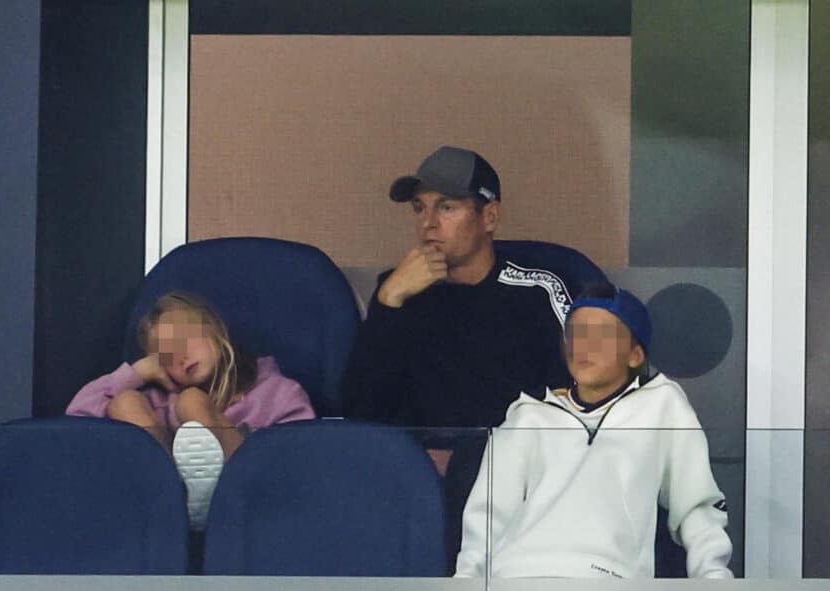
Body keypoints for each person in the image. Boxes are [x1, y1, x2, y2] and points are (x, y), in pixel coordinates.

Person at [341, 145, 605, 568]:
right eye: (419, 208)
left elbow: (582, 403)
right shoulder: (399, 290)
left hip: (522, 477)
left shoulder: (539, 289)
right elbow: (362, 412)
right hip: (418, 481)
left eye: (447, 207)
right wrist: (389, 303)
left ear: (490, 218)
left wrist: (476, 458)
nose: (428, 224)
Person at [455, 285, 733, 579]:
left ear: (635, 355)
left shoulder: (662, 403)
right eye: (576, 333)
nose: (584, 345)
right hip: (514, 577)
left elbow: (697, 507)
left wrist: (712, 578)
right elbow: (487, 515)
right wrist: (466, 586)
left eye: (602, 334)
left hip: (607, 579)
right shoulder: (529, 412)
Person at [66, 290, 315, 529]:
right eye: (167, 356)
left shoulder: (276, 392)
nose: (182, 356)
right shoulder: (159, 403)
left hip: (252, 500)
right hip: (168, 513)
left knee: (192, 401)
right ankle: (173, 490)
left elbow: (300, 460)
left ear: (215, 329)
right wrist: (137, 372)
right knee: (124, 403)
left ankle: (213, 488)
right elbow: (77, 417)